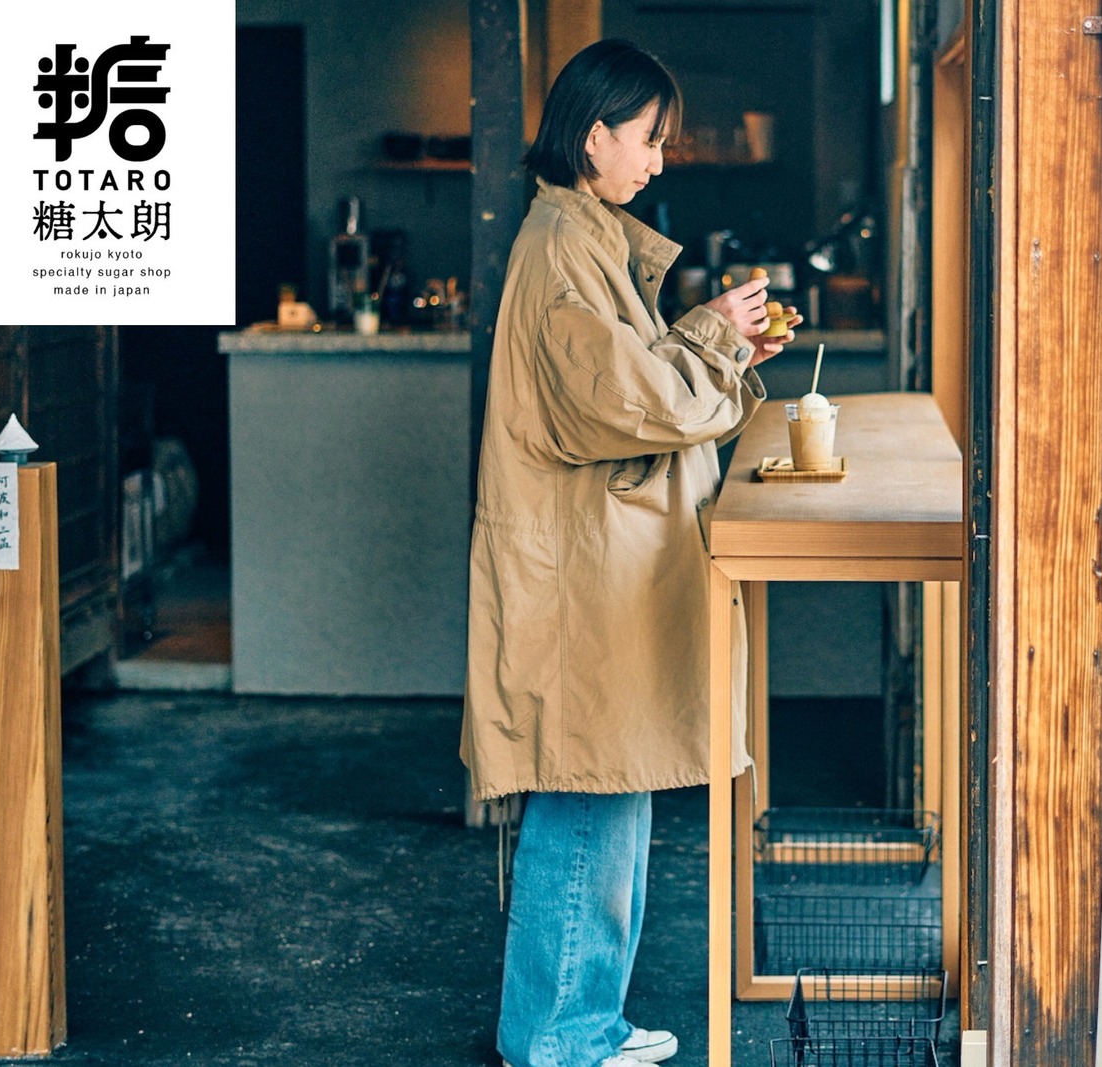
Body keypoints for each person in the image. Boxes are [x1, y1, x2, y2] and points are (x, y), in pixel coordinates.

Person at [460, 38, 800, 1067]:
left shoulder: (580, 235)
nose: (657, 159)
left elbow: (638, 382)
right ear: (593, 132)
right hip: (583, 575)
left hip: (596, 568)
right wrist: (713, 339)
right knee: (589, 790)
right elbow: (629, 402)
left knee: (606, 785)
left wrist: (715, 343)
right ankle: (559, 1036)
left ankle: (579, 1023)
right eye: (647, 138)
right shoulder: (562, 244)